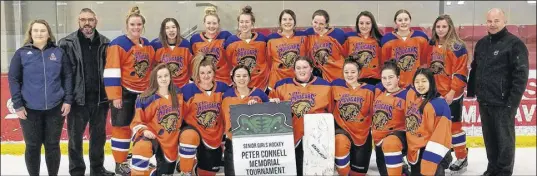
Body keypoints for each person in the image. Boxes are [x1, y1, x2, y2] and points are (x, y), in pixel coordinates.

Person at [467, 8, 529, 176]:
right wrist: (473, 92)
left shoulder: (515, 44)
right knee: (490, 140)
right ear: (485, 22)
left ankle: (503, 171)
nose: (492, 24)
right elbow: (475, 68)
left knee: (504, 141)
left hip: (504, 103)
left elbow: (521, 75)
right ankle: (492, 169)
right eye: (489, 21)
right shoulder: (481, 43)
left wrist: (512, 103)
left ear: (504, 21)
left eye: (496, 21)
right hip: (485, 100)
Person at [8, 19, 73, 176]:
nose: (39, 33)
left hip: (55, 108)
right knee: (32, 146)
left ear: (48, 33)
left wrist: (67, 100)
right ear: (30, 33)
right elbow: (14, 79)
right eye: (35, 30)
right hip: (29, 110)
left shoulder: (58, 53)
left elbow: (68, 76)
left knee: (52, 145)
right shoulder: (21, 54)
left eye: (42, 30)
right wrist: (18, 105)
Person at [57, 8, 114, 176]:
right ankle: (77, 171)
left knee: (98, 139)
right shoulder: (66, 43)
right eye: (83, 19)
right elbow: (62, 74)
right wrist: (66, 98)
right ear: (78, 21)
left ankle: (97, 170)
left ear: (96, 21)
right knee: (75, 140)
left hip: (100, 100)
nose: (87, 23)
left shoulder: (105, 43)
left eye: (90, 19)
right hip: (76, 100)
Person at [103, 6, 155, 175]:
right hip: (124, 93)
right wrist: (115, 96)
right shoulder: (118, 44)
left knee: (141, 127)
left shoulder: (147, 44)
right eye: (132, 24)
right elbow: (111, 70)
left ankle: (140, 160)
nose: (136, 27)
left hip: (143, 94)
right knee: (122, 128)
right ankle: (120, 162)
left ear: (143, 25)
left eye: (139, 24)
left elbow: (151, 69)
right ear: (127, 25)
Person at [269, 56, 332, 176]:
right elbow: (271, 111)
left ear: (311, 69)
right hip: (292, 135)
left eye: (305, 67)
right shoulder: (281, 85)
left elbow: (331, 112)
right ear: (294, 70)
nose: (301, 70)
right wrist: (272, 102)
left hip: (317, 137)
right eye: (298, 68)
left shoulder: (326, 86)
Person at [385, 68, 452, 175]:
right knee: (390, 142)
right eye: (417, 81)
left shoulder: (440, 105)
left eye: (424, 81)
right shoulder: (411, 94)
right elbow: (392, 84)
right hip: (414, 147)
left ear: (431, 81)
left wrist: (428, 166)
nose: (420, 85)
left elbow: (441, 138)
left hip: (432, 151)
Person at [427, 14, 469, 173]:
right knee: (436, 128)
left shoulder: (458, 47)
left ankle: (461, 157)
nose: (441, 29)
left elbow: (461, 71)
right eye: (438, 27)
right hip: (434, 95)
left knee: (455, 128)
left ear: (450, 27)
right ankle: (443, 157)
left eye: (444, 26)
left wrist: (452, 91)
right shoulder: (432, 44)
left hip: (451, 95)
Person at [177, 53, 229, 176]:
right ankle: (185, 170)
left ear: (214, 73)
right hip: (193, 130)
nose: (206, 76)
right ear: (197, 74)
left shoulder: (223, 88)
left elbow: (237, 101)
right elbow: (178, 113)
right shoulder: (188, 90)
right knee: (189, 136)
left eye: (209, 72)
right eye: (202, 73)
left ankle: (195, 166)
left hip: (214, 134)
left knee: (207, 172)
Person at [129, 63, 185, 176]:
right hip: (153, 136)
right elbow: (137, 121)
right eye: (160, 76)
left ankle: (152, 173)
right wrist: (144, 131)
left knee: (164, 173)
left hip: (171, 139)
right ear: (155, 78)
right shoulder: (146, 98)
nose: (163, 79)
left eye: (166, 75)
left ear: (170, 77)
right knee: (142, 147)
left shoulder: (178, 95)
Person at [221, 65, 270, 176]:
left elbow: (269, 113)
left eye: (244, 76)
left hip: (254, 144)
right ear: (233, 78)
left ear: (249, 77)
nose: (241, 79)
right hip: (233, 142)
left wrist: (266, 104)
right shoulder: (226, 95)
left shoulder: (260, 94)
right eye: (238, 76)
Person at [331, 59, 375, 176]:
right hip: (342, 130)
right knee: (340, 143)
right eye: (346, 72)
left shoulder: (370, 90)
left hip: (363, 135)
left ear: (359, 72)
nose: (349, 75)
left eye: (353, 72)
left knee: (358, 173)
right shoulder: (335, 86)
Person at [371, 60, 409, 176]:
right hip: (379, 142)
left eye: (390, 77)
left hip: (396, 139)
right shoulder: (379, 93)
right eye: (384, 78)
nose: (387, 81)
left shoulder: (407, 95)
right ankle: (403, 168)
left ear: (398, 78)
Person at [380, 9, 429, 88]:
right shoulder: (387, 40)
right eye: (400, 20)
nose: (403, 22)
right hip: (396, 85)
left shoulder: (421, 37)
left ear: (410, 20)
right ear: (395, 22)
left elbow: (424, 62)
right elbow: (385, 65)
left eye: (406, 19)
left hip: (416, 84)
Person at [224, 5, 269, 91]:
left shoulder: (262, 40)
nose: (244, 25)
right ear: (238, 24)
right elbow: (228, 64)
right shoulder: (231, 42)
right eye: (241, 22)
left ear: (252, 24)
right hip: (240, 86)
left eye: (247, 22)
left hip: (260, 85)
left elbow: (268, 60)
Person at [266, 9, 308, 91]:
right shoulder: (271, 39)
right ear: (280, 22)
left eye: (290, 19)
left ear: (294, 22)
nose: (287, 22)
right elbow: (268, 61)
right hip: (277, 81)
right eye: (284, 19)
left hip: (297, 80)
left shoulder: (303, 37)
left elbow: (307, 55)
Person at [190, 7, 233, 85]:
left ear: (218, 24)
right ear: (204, 24)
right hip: (203, 81)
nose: (211, 26)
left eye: (214, 23)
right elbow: (193, 62)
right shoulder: (195, 39)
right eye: (208, 23)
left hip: (223, 80)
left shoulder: (226, 36)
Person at [305, 9, 347, 82]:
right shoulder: (308, 33)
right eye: (315, 22)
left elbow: (346, 53)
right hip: (320, 74)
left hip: (337, 74)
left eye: (321, 24)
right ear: (312, 21)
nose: (317, 26)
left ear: (326, 24)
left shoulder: (337, 35)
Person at [343, 11, 383, 85]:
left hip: (374, 81)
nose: (364, 26)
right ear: (357, 24)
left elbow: (382, 62)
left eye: (367, 23)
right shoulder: (350, 39)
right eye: (361, 23)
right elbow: (343, 58)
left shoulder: (379, 41)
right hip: (355, 80)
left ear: (372, 24)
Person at [151, 18, 193, 88]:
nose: (171, 30)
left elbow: (191, 65)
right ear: (163, 31)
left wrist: (191, 79)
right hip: (163, 86)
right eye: (167, 28)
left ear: (177, 29)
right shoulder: (156, 45)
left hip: (182, 85)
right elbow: (152, 66)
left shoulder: (186, 44)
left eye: (173, 27)